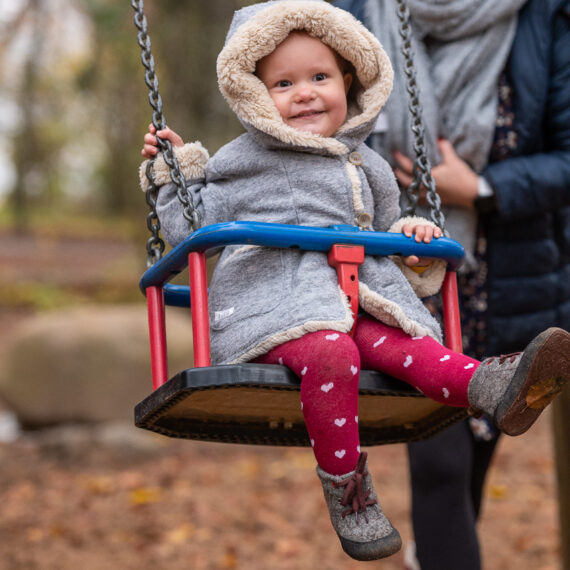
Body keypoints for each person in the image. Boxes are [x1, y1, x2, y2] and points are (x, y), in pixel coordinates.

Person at [138, 0, 570, 562]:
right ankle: (348, 490)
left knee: (411, 345)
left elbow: (389, 236)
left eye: (319, 77)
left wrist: (412, 237)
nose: (305, 93)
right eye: (283, 83)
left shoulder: (370, 166)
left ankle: (490, 386)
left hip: (357, 302)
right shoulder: (242, 160)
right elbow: (190, 226)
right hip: (276, 314)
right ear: (254, 94)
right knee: (332, 352)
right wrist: (171, 172)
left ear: (348, 80)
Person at [334, 0, 570, 568]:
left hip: (508, 281)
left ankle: (433, 554)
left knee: (473, 465)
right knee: (440, 464)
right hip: (401, 284)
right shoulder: (357, 11)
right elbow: (300, 107)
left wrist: (482, 188)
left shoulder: (541, 15)